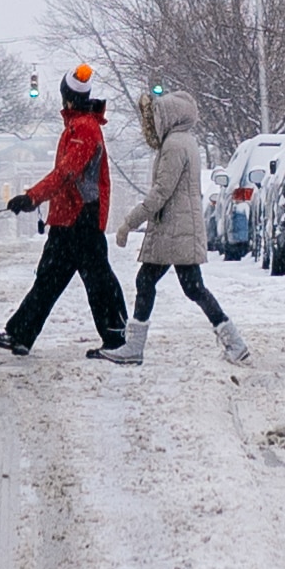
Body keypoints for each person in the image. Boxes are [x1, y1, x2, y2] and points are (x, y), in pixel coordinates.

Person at [98, 83, 248, 367]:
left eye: (156, 116)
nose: (153, 122)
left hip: (173, 230)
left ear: (168, 117)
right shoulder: (184, 141)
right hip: (177, 229)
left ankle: (135, 348)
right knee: (185, 286)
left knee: (160, 283)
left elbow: (161, 192)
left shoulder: (174, 146)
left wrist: (129, 222)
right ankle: (233, 341)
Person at [0, 59, 126, 359]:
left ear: (67, 97)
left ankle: (117, 338)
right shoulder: (78, 126)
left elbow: (66, 173)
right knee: (52, 279)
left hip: (81, 219)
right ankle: (21, 335)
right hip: (68, 219)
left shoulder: (84, 130)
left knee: (97, 280)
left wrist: (32, 197)